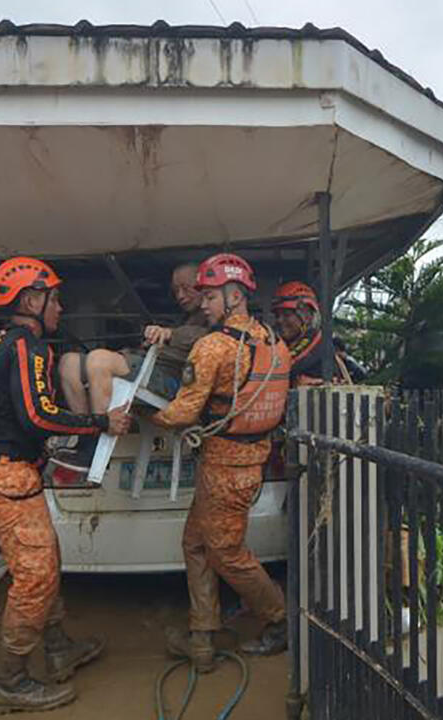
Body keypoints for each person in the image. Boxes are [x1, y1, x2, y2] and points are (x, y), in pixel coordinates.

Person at [0, 256, 132, 714]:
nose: (60, 310)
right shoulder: (27, 348)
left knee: (44, 558)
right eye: (55, 300)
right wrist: (101, 421)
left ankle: (57, 647)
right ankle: (12, 681)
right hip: (5, 478)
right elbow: (38, 416)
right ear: (32, 300)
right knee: (36, 576)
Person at [148, 253, 291, 671]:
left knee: (226, 552)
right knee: (195, 542)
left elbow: (183, 413)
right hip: (250, 463)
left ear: (234, 295)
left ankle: (279, 620)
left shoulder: (212, 347)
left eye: (209, 296)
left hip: (226, 467)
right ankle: (203, 636)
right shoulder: (273, 342)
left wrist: (138, 413)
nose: (203, 303)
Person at [51, 262, 206, 472]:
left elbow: (212, 337)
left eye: (186, 288)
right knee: (68, 363)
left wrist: (170, 333)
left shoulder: (212, 313)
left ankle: (97, 449)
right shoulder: (186, 317)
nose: (180, 295)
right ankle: (87, 438)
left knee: (98, 360)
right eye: (176, 290)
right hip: (149, 368)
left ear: (204, 283)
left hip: (172, 382)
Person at [271, 280, 365, 386]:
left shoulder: (315, 342)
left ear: (306, 316)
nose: (279, 320)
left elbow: (282, 368)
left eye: (286, 315)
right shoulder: (285, 345)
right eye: (277, 316)